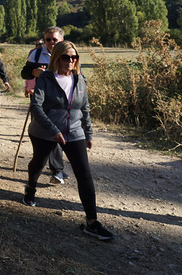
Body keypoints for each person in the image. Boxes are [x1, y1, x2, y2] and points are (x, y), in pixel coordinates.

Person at [22, 40, 114, 241]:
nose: (70, 61)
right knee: (38, 162)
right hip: (45, 130)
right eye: (66, 57)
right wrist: (53, 130)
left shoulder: (80, 79)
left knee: (84, 173)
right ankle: (30, 187)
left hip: (73, 131)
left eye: (74, 57)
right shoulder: (46, 78)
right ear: (57, 58)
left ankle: (92, 222)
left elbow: (84, 108)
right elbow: (36, 106)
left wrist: (88, 133)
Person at [21, 27, 68, 185]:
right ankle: (44, 166)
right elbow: (24, 73)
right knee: (42, 134)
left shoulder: (68, 54)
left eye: (54, 40)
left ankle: (57, 170)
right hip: (39, 100)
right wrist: (34, 73)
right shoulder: (36, 54)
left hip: (60, 102)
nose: (51, 43)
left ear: (61, 40)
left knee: (55, 132)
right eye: (48, 39)